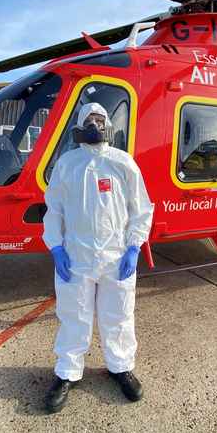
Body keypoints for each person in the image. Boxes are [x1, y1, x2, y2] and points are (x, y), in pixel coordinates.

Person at [42, 102, 154, 413]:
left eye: (100, 119)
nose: (95, 123)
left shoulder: (123, 163)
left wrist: (133, 247)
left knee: (118, 315)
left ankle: (120, 366)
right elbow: (55, 210)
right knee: (73, 315)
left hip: (117, 257)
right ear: (80, 125)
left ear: (108, 125)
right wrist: (56, 247)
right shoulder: (67, 164)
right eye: (89, 119)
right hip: (75, 257)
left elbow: (141, 209)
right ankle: (67, 372)